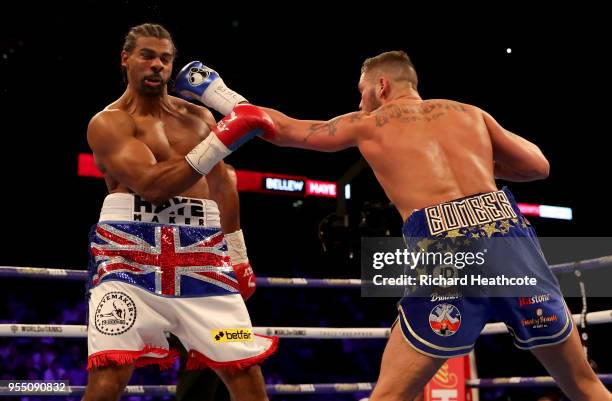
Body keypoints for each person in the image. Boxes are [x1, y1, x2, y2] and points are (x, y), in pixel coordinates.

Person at [173, 51, 611, 401]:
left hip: (447, 250)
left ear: (381, 86)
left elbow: (282, 130)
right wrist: (479, 164)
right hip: (509, 238)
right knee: (585, 387)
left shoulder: (368, 123)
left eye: (362, 92)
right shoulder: (470, 113)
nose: (360, 101)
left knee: (390, 394)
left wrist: (221, 95)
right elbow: (538, 166)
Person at [83, 23, 276, 401]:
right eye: (147, 56)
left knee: (246, 373)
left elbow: (223, 185)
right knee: (108, 378)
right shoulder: (108, 123)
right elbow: (153, 187)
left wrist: (237, 255)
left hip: (204, 263)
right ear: (126, 60)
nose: (157, 65)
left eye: (165, 58)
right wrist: (225, 137)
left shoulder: (200, 118)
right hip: (127, 259)